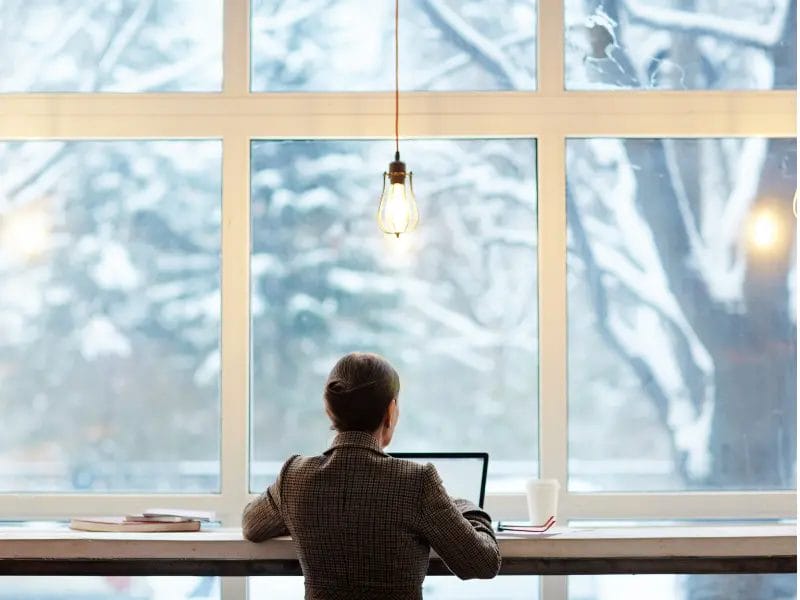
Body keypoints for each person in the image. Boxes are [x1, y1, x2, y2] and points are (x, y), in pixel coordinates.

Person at [242, 352, 501, 599]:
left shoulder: (295, 476)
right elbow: (483, 563)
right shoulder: (416, 481)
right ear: (390, 412)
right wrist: (465, 507)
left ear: (328, 409)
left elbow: (252, 525)